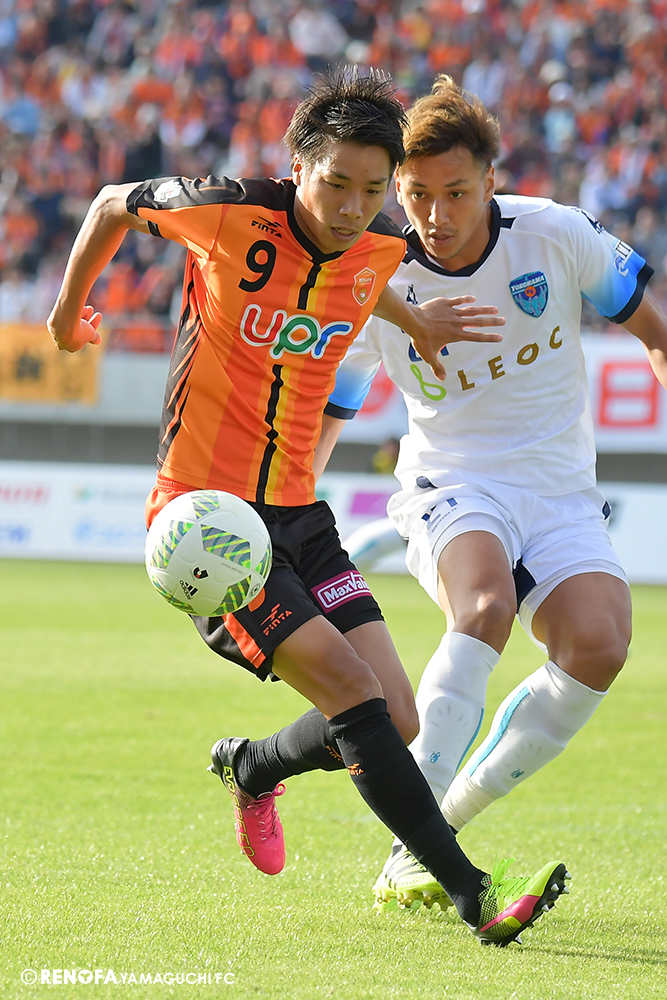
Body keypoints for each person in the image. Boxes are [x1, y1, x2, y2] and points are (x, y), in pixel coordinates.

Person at [47, 67, 568, 946]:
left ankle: (252, 766)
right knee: (355, 694)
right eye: (336, 184)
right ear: (298, 167)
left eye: (373, 190)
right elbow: (108, 204)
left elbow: (364, 278)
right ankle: (474, 892)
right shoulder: (225, 211)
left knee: (393, 717)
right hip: (211, 526)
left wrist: (416, 323)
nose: (352, 208)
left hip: (300, 513)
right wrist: (69, 314)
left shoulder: (379, 248)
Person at [318, 75, 667, 909]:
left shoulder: (555, 234)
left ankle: (438, 829)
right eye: (415, 195)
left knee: (598, 646)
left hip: (559, 492)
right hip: (450, 480)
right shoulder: (373, 274)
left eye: (456, 193)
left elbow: (654, 333)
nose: (435, 215)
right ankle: (416, 842)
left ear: (490, 180)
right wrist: (285, 504)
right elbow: (328, 409)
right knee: (483, 608)